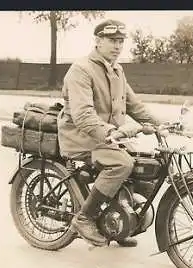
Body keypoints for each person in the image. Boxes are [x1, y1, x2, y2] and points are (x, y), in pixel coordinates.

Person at [57, 19, 163, 248]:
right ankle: (84, 218)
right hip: (82, 137)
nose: (117, 46)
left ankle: (119, 223)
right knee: (121, 164)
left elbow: (134, 105)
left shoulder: (116, 69)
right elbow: (83, 116)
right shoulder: (81, 69)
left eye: (121, 41)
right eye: (112, 40)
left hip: (108, 137)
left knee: (144, 163)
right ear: (97, 41)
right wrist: (112, 132)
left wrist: (160, 124)